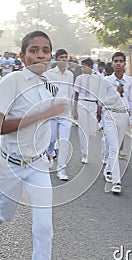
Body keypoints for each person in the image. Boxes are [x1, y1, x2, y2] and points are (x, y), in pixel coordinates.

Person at [0, 30, 67, 260]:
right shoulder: (12, 82)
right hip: (11, 165)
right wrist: (40, 115)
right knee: (6, 213)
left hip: (38, 165)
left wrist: (46, 148)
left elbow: (45, 124)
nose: (41, 55)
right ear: (22, 56)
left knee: (44, 228)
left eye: (45, 50)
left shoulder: (50, 85)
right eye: (34, 50)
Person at [103, 52, 132, 192]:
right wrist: (117, 93)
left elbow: (131, 100)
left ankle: (108, 170)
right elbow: (103, 100)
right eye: (116, 61)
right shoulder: (106, 81)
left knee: (116, 147)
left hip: (123, 115)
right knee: (113, 147)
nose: (118, 63)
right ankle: (117, 182)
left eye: (121, 61)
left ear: (124, 64)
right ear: (112, 63)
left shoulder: (129, 80)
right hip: (110, 114)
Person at [46, 48, 74, 180]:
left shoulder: (70, 75)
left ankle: (61, 169)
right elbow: (46, 93)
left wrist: (72, 108)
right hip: (52, 113)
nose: (64, 59)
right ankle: (49, 154)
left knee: (63, 141)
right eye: (61, 57)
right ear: (56, 59)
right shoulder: (49, 74)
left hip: (66, 114)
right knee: (51, 140)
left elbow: (70, 92)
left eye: (65, 57)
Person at [73, 58, 102, 164]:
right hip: (82, 103)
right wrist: (74, 109)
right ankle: (84, 154)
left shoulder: (98, 78)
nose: (82, 69)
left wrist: (100, 108)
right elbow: (75, 94)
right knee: (82, 130)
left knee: (92, 131)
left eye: (84, 66)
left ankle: (88, 148)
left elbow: (100, 94)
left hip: (93, 103)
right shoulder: (79, 78)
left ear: (90, 67)